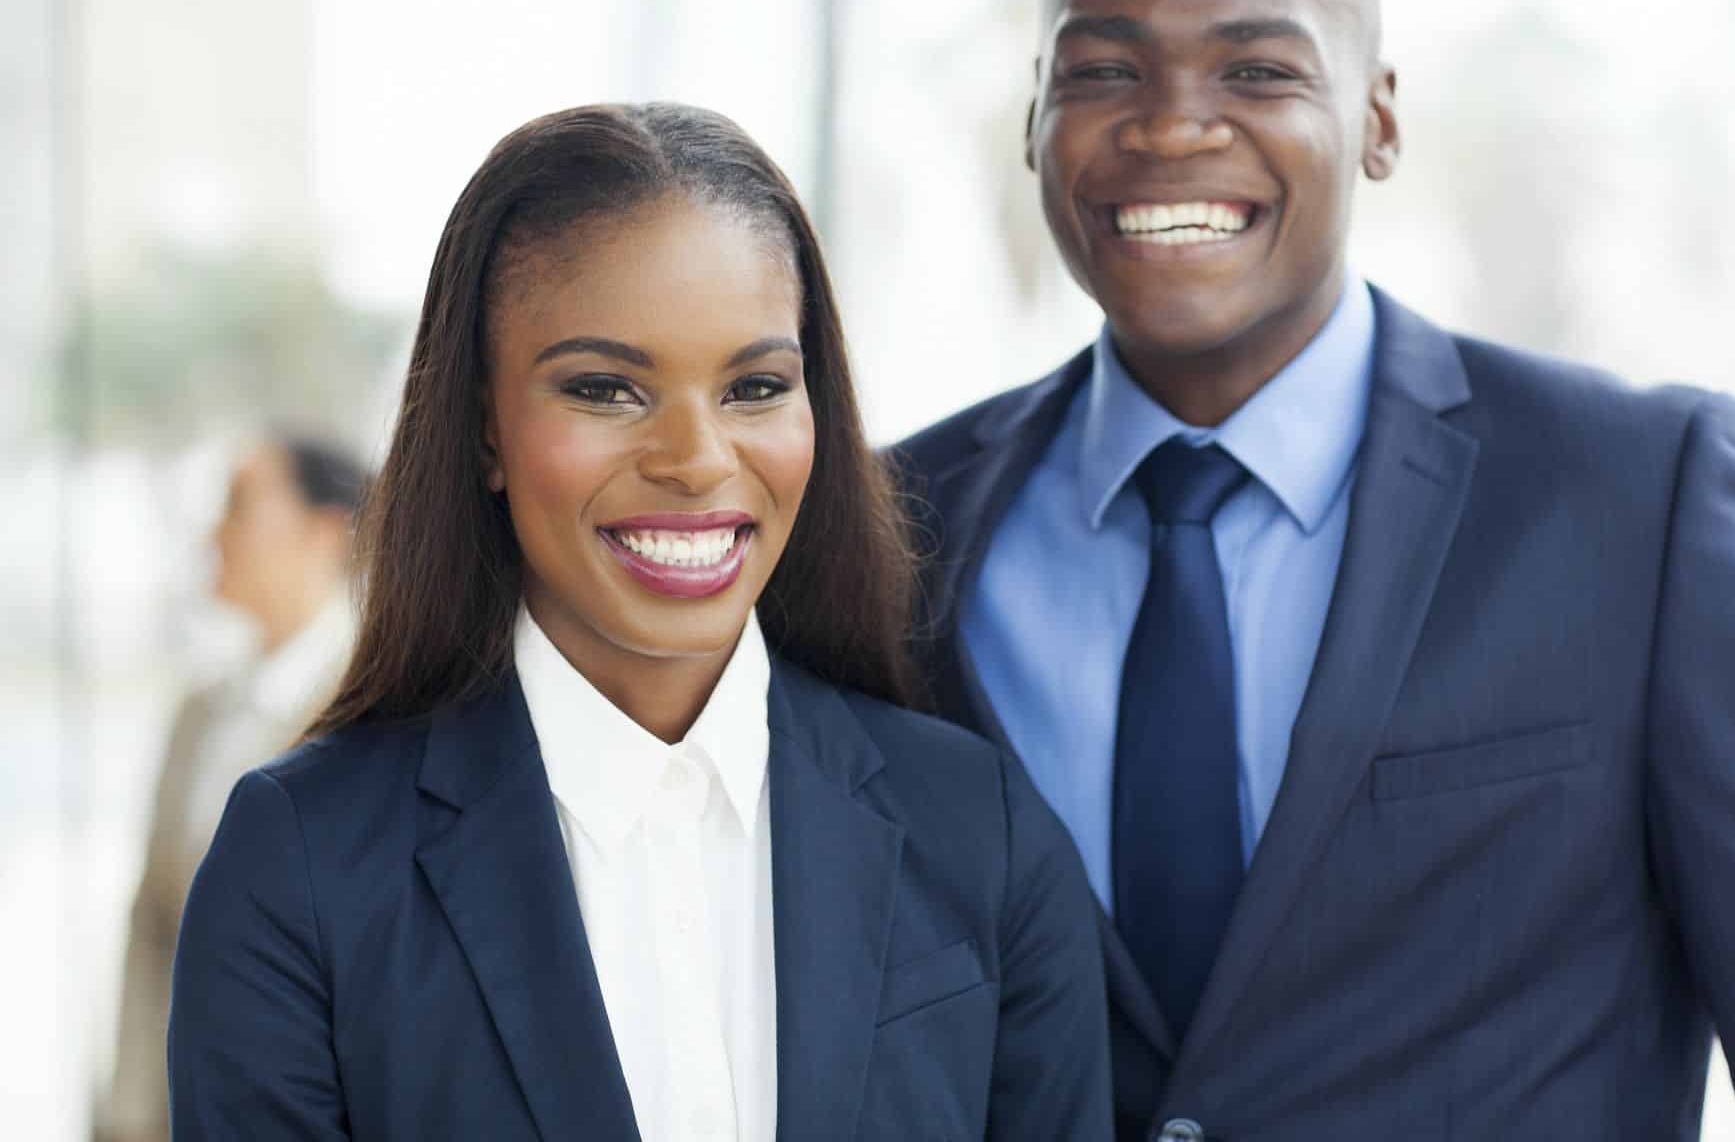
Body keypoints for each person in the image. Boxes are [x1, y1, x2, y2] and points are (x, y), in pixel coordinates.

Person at [888, 0, 1735, 1138]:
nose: (1170, 128)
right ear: (1036, 111)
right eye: (1104, 72)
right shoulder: (895, 527)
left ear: (1379, 119)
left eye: (1257, 72)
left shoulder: (1644, 505)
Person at [167, 102, 1112, 1141]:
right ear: (484, 424)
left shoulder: (982, 829)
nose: (698, 458)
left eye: (755, 385)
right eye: (607, 389)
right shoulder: (302, 862)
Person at [96, 433, 366, 1142]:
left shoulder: (378, 714)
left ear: (323, 531)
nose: (215, 531)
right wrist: (124, 1120)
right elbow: (153, 924)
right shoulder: (200, 712)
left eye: (238, 505)